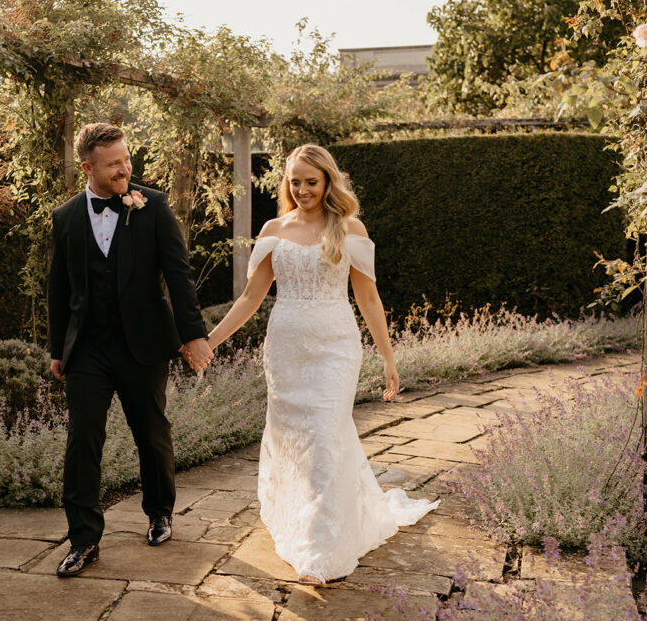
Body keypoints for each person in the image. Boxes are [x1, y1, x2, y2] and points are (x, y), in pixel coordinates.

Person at [207, 144, 438, 585]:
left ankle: (319, 547)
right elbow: (251, 298)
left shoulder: (349, 227)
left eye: (311, 181)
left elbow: (368, 297)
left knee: (324, 431)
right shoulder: (274, 228)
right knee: (296, 437)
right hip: (286, 348)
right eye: (295, 181)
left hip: (336, 346)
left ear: (329, 182)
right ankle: (301, 521)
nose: (303, 189)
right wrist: (211, 342)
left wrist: (388, 358)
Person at [48, 122, 213, 577]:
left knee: (151, 432)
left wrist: (192, 334)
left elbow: (178, 274)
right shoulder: (65, 218)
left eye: (126, 159)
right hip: (87, 350)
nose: (126, 169)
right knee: (83, 440)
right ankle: (83, 539)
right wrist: (56, 348)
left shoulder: (152, 206)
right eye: (114, 163)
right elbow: (58, 289)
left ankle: (160, 511)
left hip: (143, 343)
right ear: (88, 167)